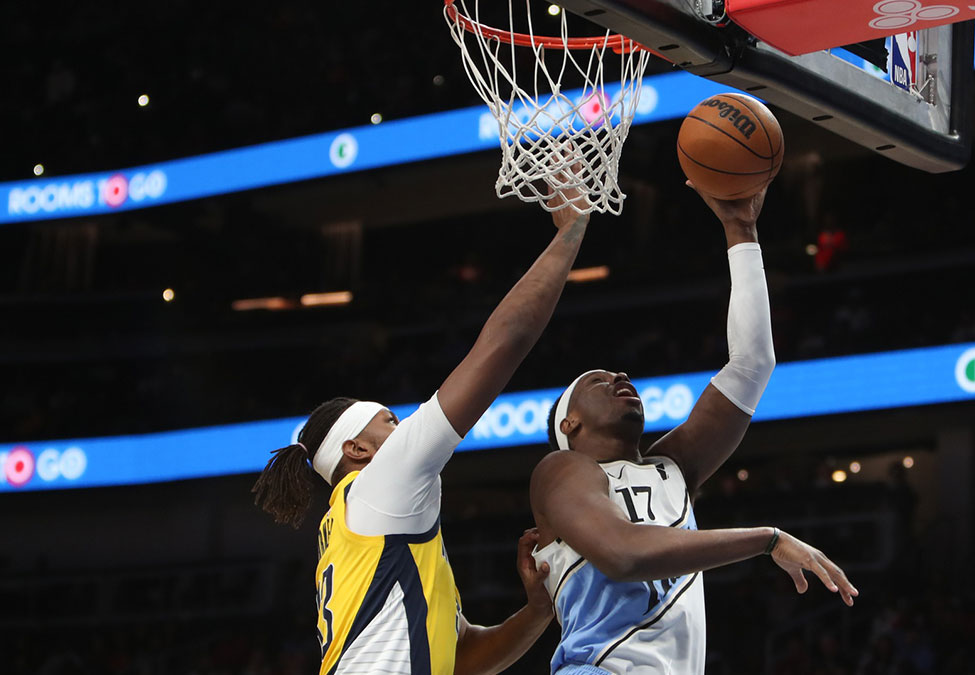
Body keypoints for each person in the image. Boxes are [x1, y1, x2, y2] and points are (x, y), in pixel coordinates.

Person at [252, 187, 589, 675]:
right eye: (390, 420)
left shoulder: (381, 533)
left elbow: (466, 659)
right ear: (358, 448)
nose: (405, 426)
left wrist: (539, 610)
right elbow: (503, 345)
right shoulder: (378, 485)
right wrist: (569, 233)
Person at [530, 183, 858, 675]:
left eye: (618, 374)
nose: (620, 376)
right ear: (569, 423)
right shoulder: (560, 471)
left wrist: (740, 230)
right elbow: (622, 554)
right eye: (598, 381)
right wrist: (765, 538)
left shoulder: (670, 468)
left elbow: (752, 365)